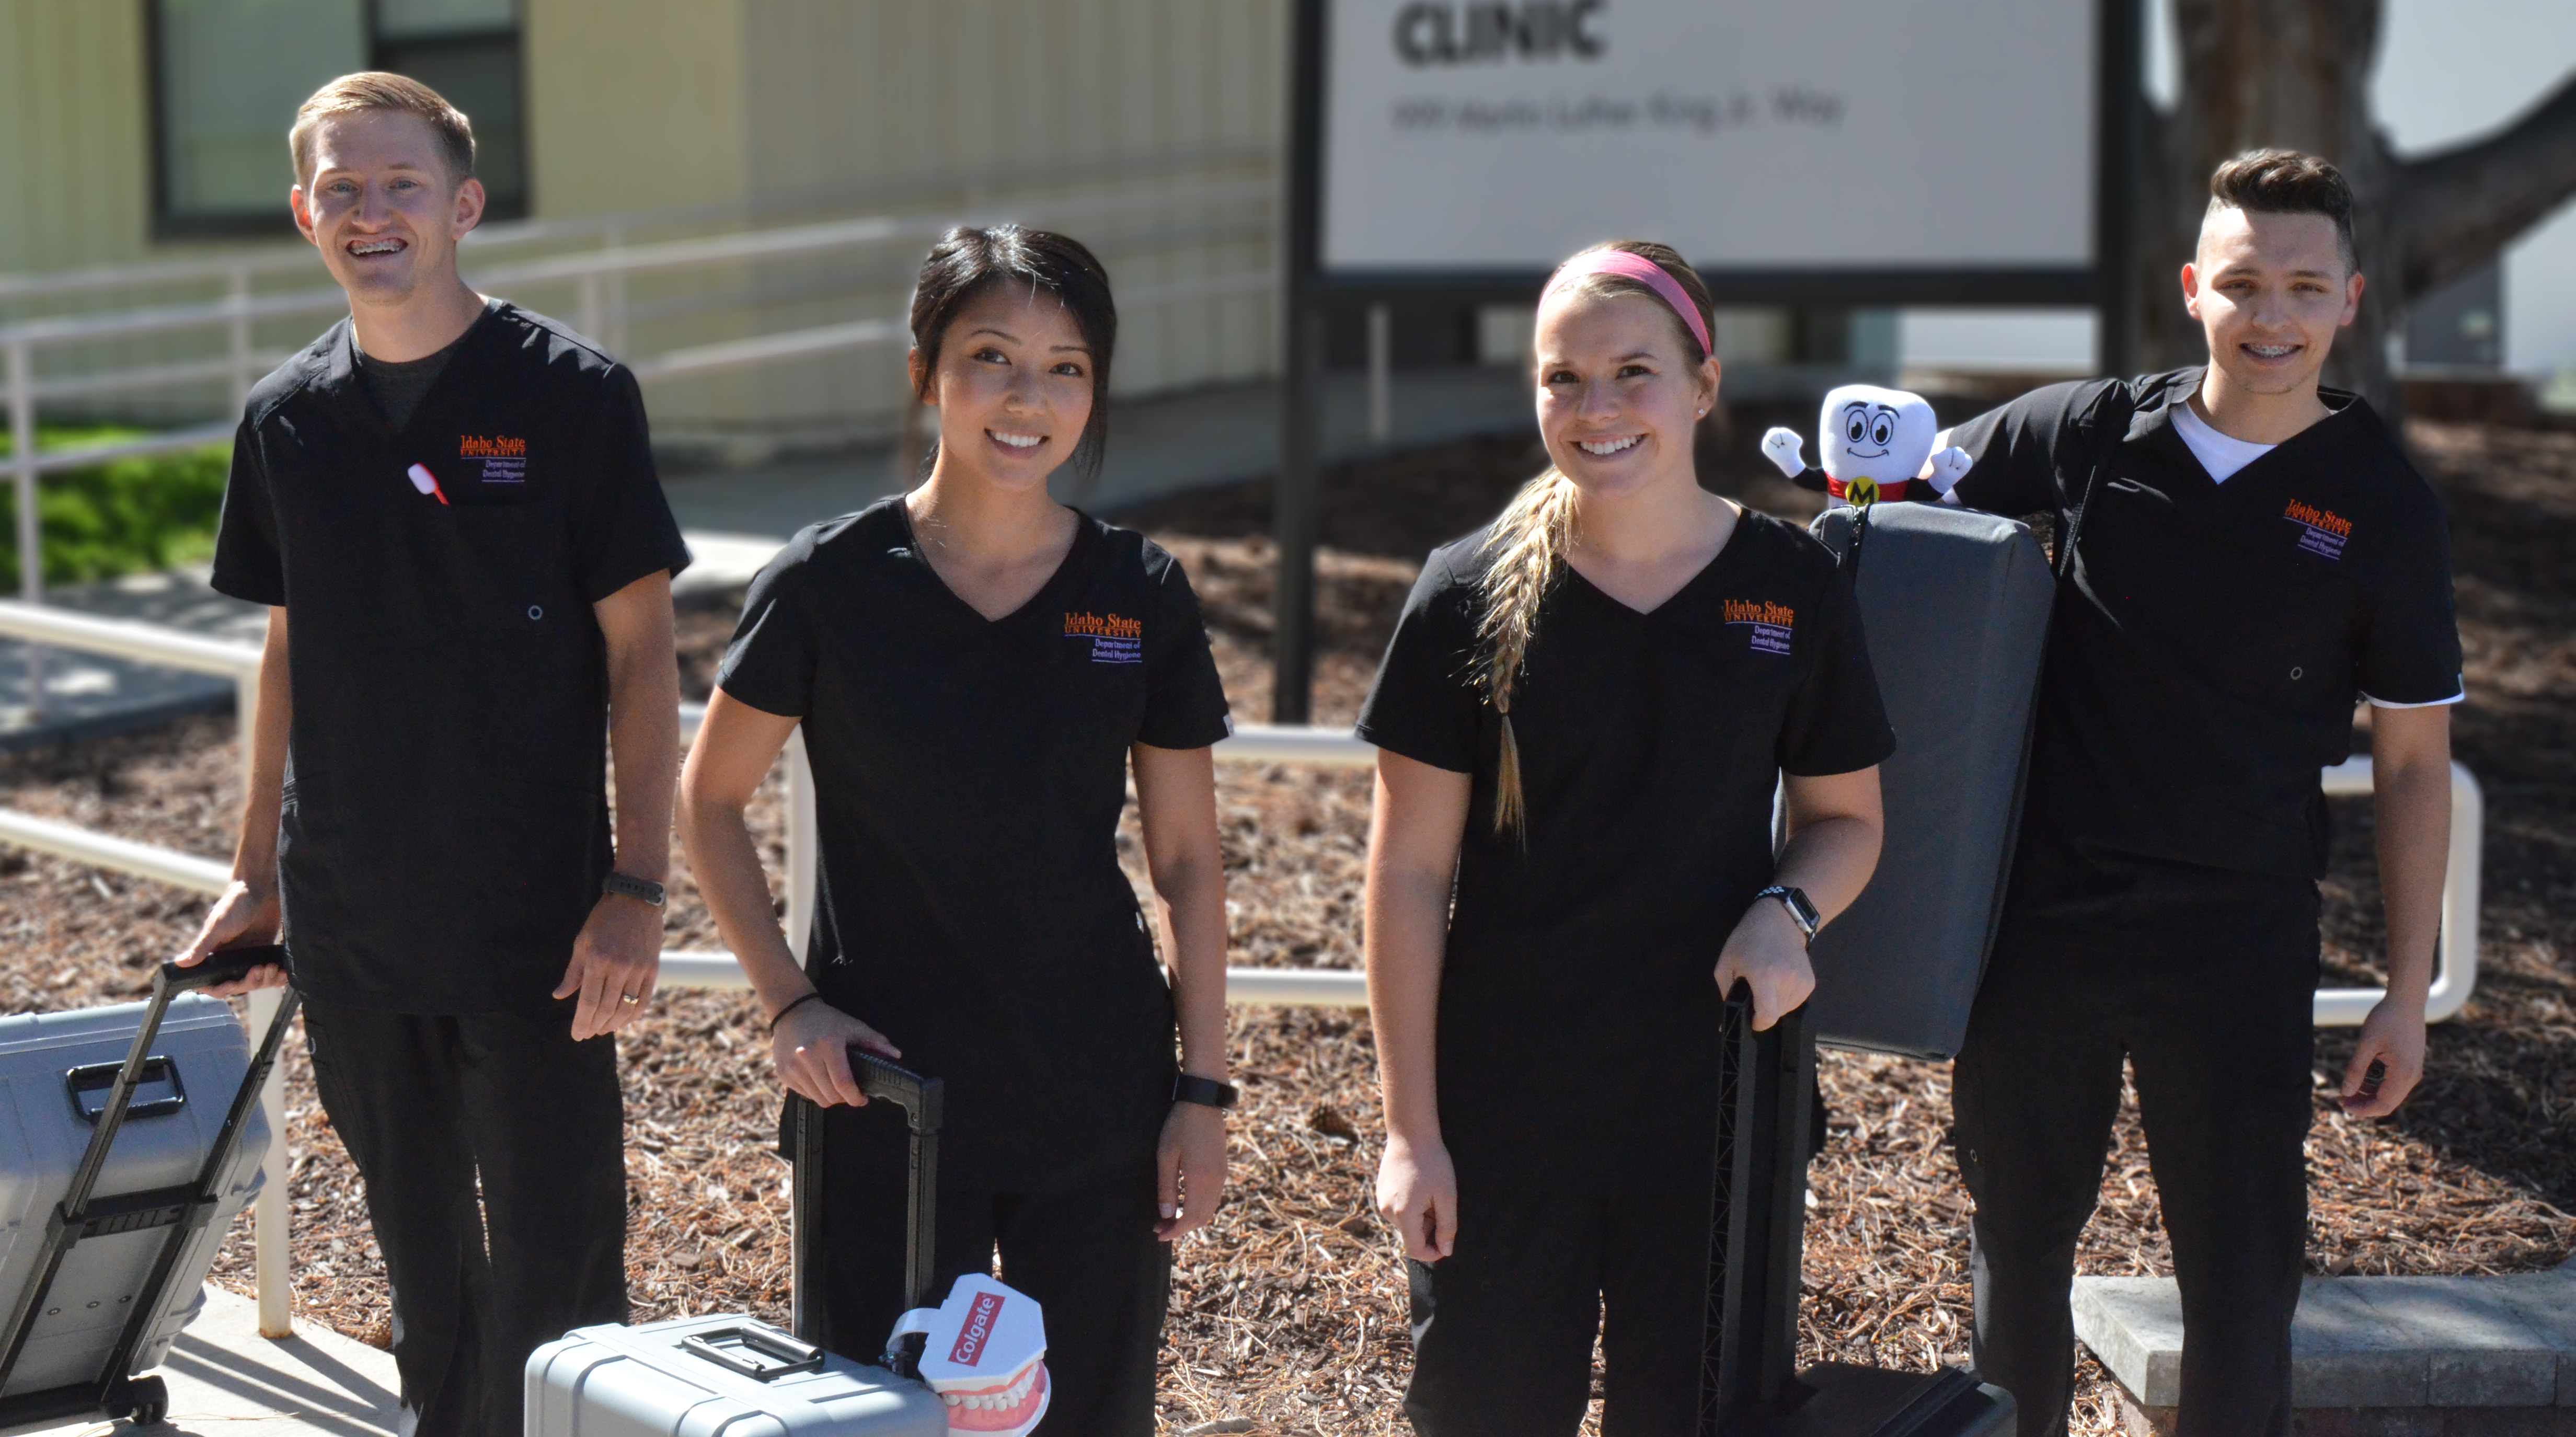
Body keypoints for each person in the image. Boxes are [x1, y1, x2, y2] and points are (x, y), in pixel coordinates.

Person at [176, 73, 692, 1437]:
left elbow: (646, 654)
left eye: (400, 184)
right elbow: (292, 649)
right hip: (354, 920)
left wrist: (637, 887)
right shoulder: (287, 419)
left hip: (539, 921)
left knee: (557, 1259)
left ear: (462, 206)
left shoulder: (574, 398)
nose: (370, 211)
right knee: (424, 1269)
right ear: (303, 215)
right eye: (340, 188)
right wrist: (259, 875)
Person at [1931, 151, 2462, 1437]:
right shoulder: (2089, 433)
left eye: (2298, 286)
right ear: (2190, 291)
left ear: (2349, 302)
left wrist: (2403, 988)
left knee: (2237, 1286)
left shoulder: (2379, 504)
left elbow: (2409, 763)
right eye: (2238, 284)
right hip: (2041, 923)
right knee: (2019, 1249)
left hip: (2236, 940)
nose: (2265, 316)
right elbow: (1894, 491)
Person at [676, 226, 1233, 1436]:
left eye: (1067, 367)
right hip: (881, 1092)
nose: (1028, 398)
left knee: (1083, 1418)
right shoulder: (827, 582)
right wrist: (787, 1002)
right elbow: (706, 804)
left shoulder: (1139, 595)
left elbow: (1188, 861)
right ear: (926, 371)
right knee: (880, 1421)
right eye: (992, 357)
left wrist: (1201, 1089)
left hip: (1094, 1093)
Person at [1358, 242, 1893, 1435]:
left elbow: (1847, 823)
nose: (1595, 409)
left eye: (1631, 373)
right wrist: (1412, 1135)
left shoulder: (1790, 585)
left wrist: (1786, 910)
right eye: (1562, 379)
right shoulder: (1464, 593)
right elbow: (1404, 876)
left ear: (1704, 385)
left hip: (1714, 1112)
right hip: (1504, 1119)